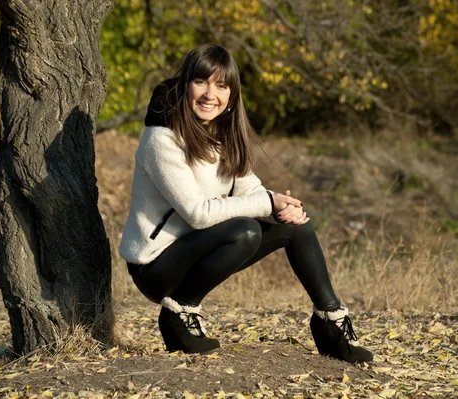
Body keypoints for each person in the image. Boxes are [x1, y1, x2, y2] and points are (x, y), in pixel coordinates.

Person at [120, 44, 373, 364]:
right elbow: (199, 214)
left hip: (195, 250)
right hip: (155, 266)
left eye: (221, 85)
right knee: (245, 231)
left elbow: (250, 187)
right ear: (185, 85)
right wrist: (267, 202)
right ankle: (178, 315)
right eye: (201, 82)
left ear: (231, 96)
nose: (210, 94)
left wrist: (283, 207)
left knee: (296, 225)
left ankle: (330, 324)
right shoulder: (162, 139)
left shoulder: (221, 137)